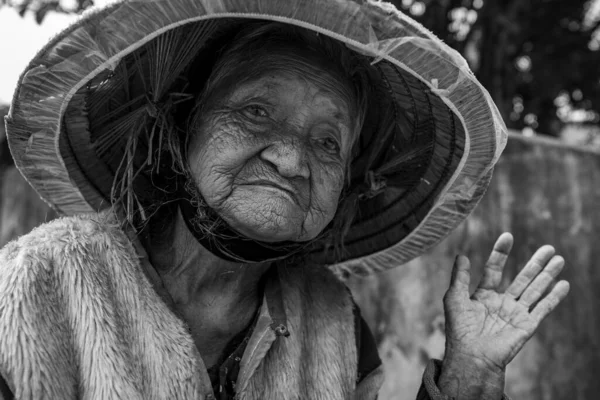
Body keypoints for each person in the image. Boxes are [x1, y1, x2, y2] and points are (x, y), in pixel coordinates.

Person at [0, 0, 569, 399]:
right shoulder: (39, 281)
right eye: (255, 112)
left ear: (346, 181)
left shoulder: (336, 323)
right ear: (183, 123)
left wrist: (467, 376)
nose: (293, 161)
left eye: (327, 142)